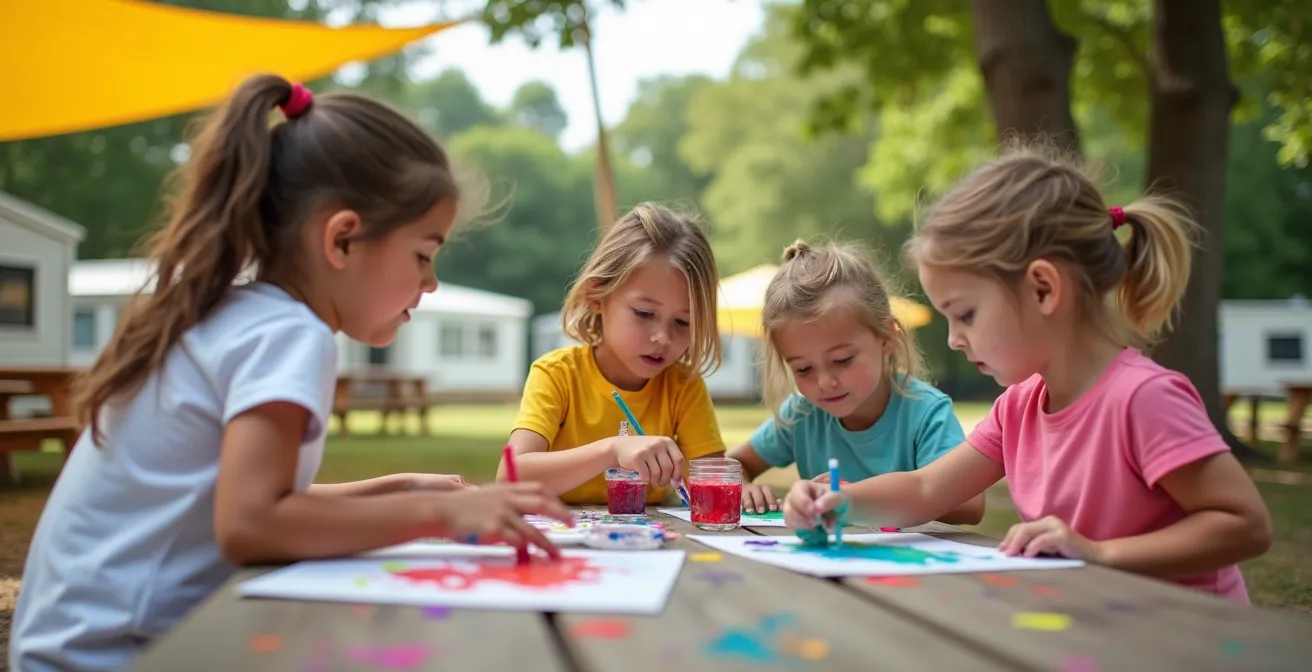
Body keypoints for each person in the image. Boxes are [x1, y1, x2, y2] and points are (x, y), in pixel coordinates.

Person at [10, 75, 571, 672]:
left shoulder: (241, 314)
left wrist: (396, 490)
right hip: (108, 657)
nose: (431, 282)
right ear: (344, 239)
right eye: (423, 255)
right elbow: (250, 524)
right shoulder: (290, 335)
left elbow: (229, 499)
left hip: (67, 646)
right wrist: (440, 514)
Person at [782, 143, 1271, 604]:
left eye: (966, 314)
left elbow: (1244, 524)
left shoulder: (1142, 399)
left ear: (1042, 289)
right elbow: (927, 489)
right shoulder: (1019, 406)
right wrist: (837, 500)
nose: (953, 338)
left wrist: (1100, 554)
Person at [728, 240, 983, 524]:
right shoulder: (801, 413)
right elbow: (734, 464)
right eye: (803, 369)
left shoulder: (925, 413)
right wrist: (745, 488)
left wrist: (856, 496)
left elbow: (970, 505)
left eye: (842, 360)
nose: (824, 382)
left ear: (886, 338)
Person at [500, 203, 726, 504]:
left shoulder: (683, 387)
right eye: (644, 313)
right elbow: (511, 478)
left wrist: (741, 491)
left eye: (683, 322)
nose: (662, 337)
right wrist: (612, 450)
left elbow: (713, 489)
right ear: (597, 296)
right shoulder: (557, 375)